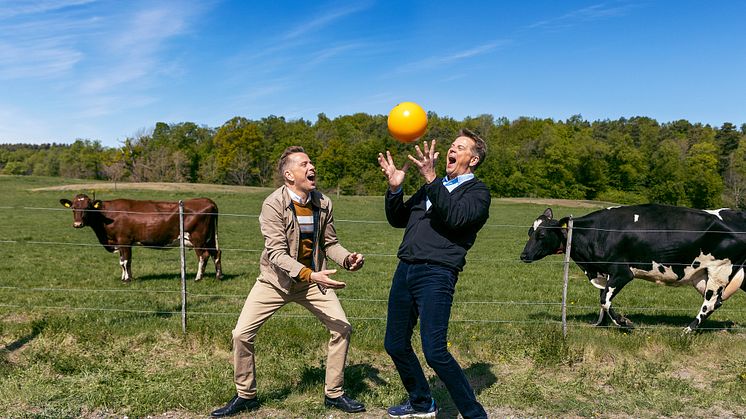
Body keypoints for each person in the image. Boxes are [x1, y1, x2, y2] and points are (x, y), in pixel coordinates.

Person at [211, 146, 366, 417]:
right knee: (241, 334)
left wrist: (347, 259)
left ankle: (334, 393)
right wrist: (308, 273)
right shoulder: (273, 204)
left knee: (342, 327)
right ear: (288, 174)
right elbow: (276, 253)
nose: (312, 167)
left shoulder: (323, 203)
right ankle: (246, 395)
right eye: (304, 164)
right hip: (275, 282)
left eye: (312, 162)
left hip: (313, 282)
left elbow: (330, 243)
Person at [377, 129, 490, 419]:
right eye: (452, 145)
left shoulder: (477, 193)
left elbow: (455, 218)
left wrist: (431, 179)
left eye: (460, 147)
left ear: (473, 159)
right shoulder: (433, 188)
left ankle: (474, 414)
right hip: (405, 270)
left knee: (435, 351)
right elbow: (398, 219)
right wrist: (394, 189)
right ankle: (421, 402)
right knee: (394, 343)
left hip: (437, 274)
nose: (452, 149)